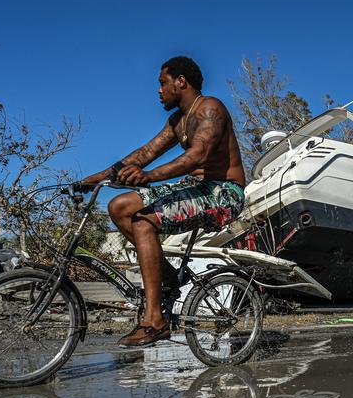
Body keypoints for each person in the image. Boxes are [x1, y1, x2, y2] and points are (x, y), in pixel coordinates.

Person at [81, 56, 246, 347]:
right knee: (119, 207)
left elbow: (198, 155)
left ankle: (155, 320)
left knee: (144, 220)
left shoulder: (210, 109)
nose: (159, 91)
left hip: (223, 193)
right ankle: (168, 277)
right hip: (196, 187)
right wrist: (90, 180)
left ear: (180, 82)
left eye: (162, 83)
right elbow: (144, 153)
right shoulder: (178, 120)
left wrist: (150, 176)